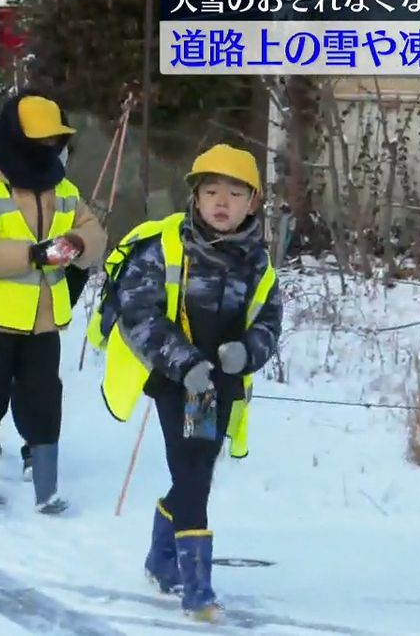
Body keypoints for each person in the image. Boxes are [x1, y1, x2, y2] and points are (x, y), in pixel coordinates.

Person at [89, 144, 282, 621]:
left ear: (252, 203)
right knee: (194, 472)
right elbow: (139, 314)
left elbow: (269, 323)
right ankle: (198, 587)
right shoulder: (166, 247)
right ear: (194, 197)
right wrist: (183, 363)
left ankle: (160, 556)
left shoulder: (257, 263)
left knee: (196, 473)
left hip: (223, 383)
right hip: (179, 383)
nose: (222, 202)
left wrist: (248, 351)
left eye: (235, 194)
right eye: (211, 191)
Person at [0, 93, 107, 514]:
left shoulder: (64, 190)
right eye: (41, 141)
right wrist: (31, 256)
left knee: (44, 398)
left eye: (54, 141)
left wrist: (77, 243)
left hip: (43, 321)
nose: (49, 150)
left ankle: (46, 487)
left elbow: (95, 234)